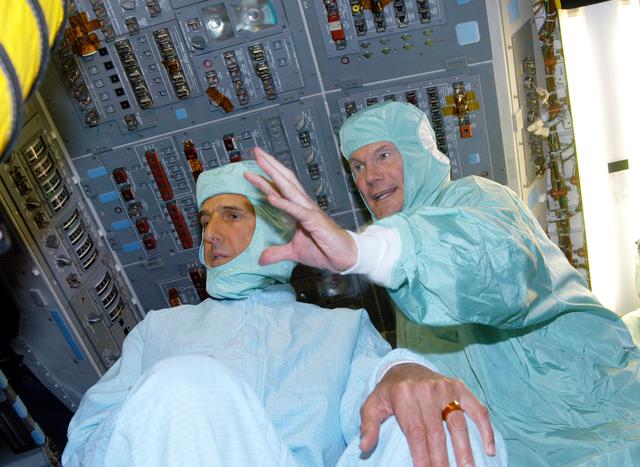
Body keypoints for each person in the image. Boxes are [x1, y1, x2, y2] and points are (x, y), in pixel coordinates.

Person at [245, 101, 640, 465]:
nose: (370, 177)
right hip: (514, 448)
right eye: (358, 167)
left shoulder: (472, 198)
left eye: (384, 155)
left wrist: (364, 251)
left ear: (417, 154)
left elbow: (498, 267)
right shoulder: (399, 273)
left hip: (589, 416)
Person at [61, 161, 506, 467]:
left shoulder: (341, 329)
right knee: (185, 382)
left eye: (231, 215)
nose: (211, 233)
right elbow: (85, 443)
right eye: (205, 220)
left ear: (274, 228)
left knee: (441, 411)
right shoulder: (160, 328)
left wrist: (402, 368)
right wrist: (179, 411)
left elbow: (375, 397)